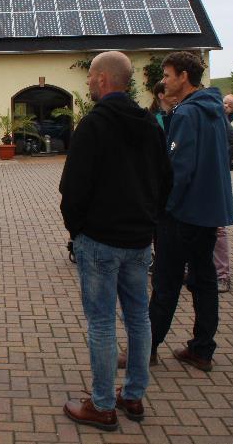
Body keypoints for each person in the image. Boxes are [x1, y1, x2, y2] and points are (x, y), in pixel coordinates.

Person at [60, 51, 172, 431]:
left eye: (91, 76)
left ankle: (103, 404)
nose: (89, 82)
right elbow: (165, 182)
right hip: (139, 240)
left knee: (103, 322)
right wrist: (148, 221)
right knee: (139, 318)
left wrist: (77, 231)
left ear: (104, 80)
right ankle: (134, 396)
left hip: (100, 240)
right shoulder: (150, 123)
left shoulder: (93, 125)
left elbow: (72, 189)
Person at [149, 51, 233, 372]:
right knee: (204, 280)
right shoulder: (214, 109)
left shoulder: (186, 114)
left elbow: (178, 171)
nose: (165, 81)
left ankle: (147, 348)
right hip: (210, 211)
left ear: (184, 76)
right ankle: (201, 350)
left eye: (169, 75)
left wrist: (162, 210)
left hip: (182, 213)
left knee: (166, 282)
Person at [214, 94, 233, 293]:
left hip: (214, 178)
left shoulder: (217, 114)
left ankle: (222, 275)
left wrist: (221, 163)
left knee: (217, 227)